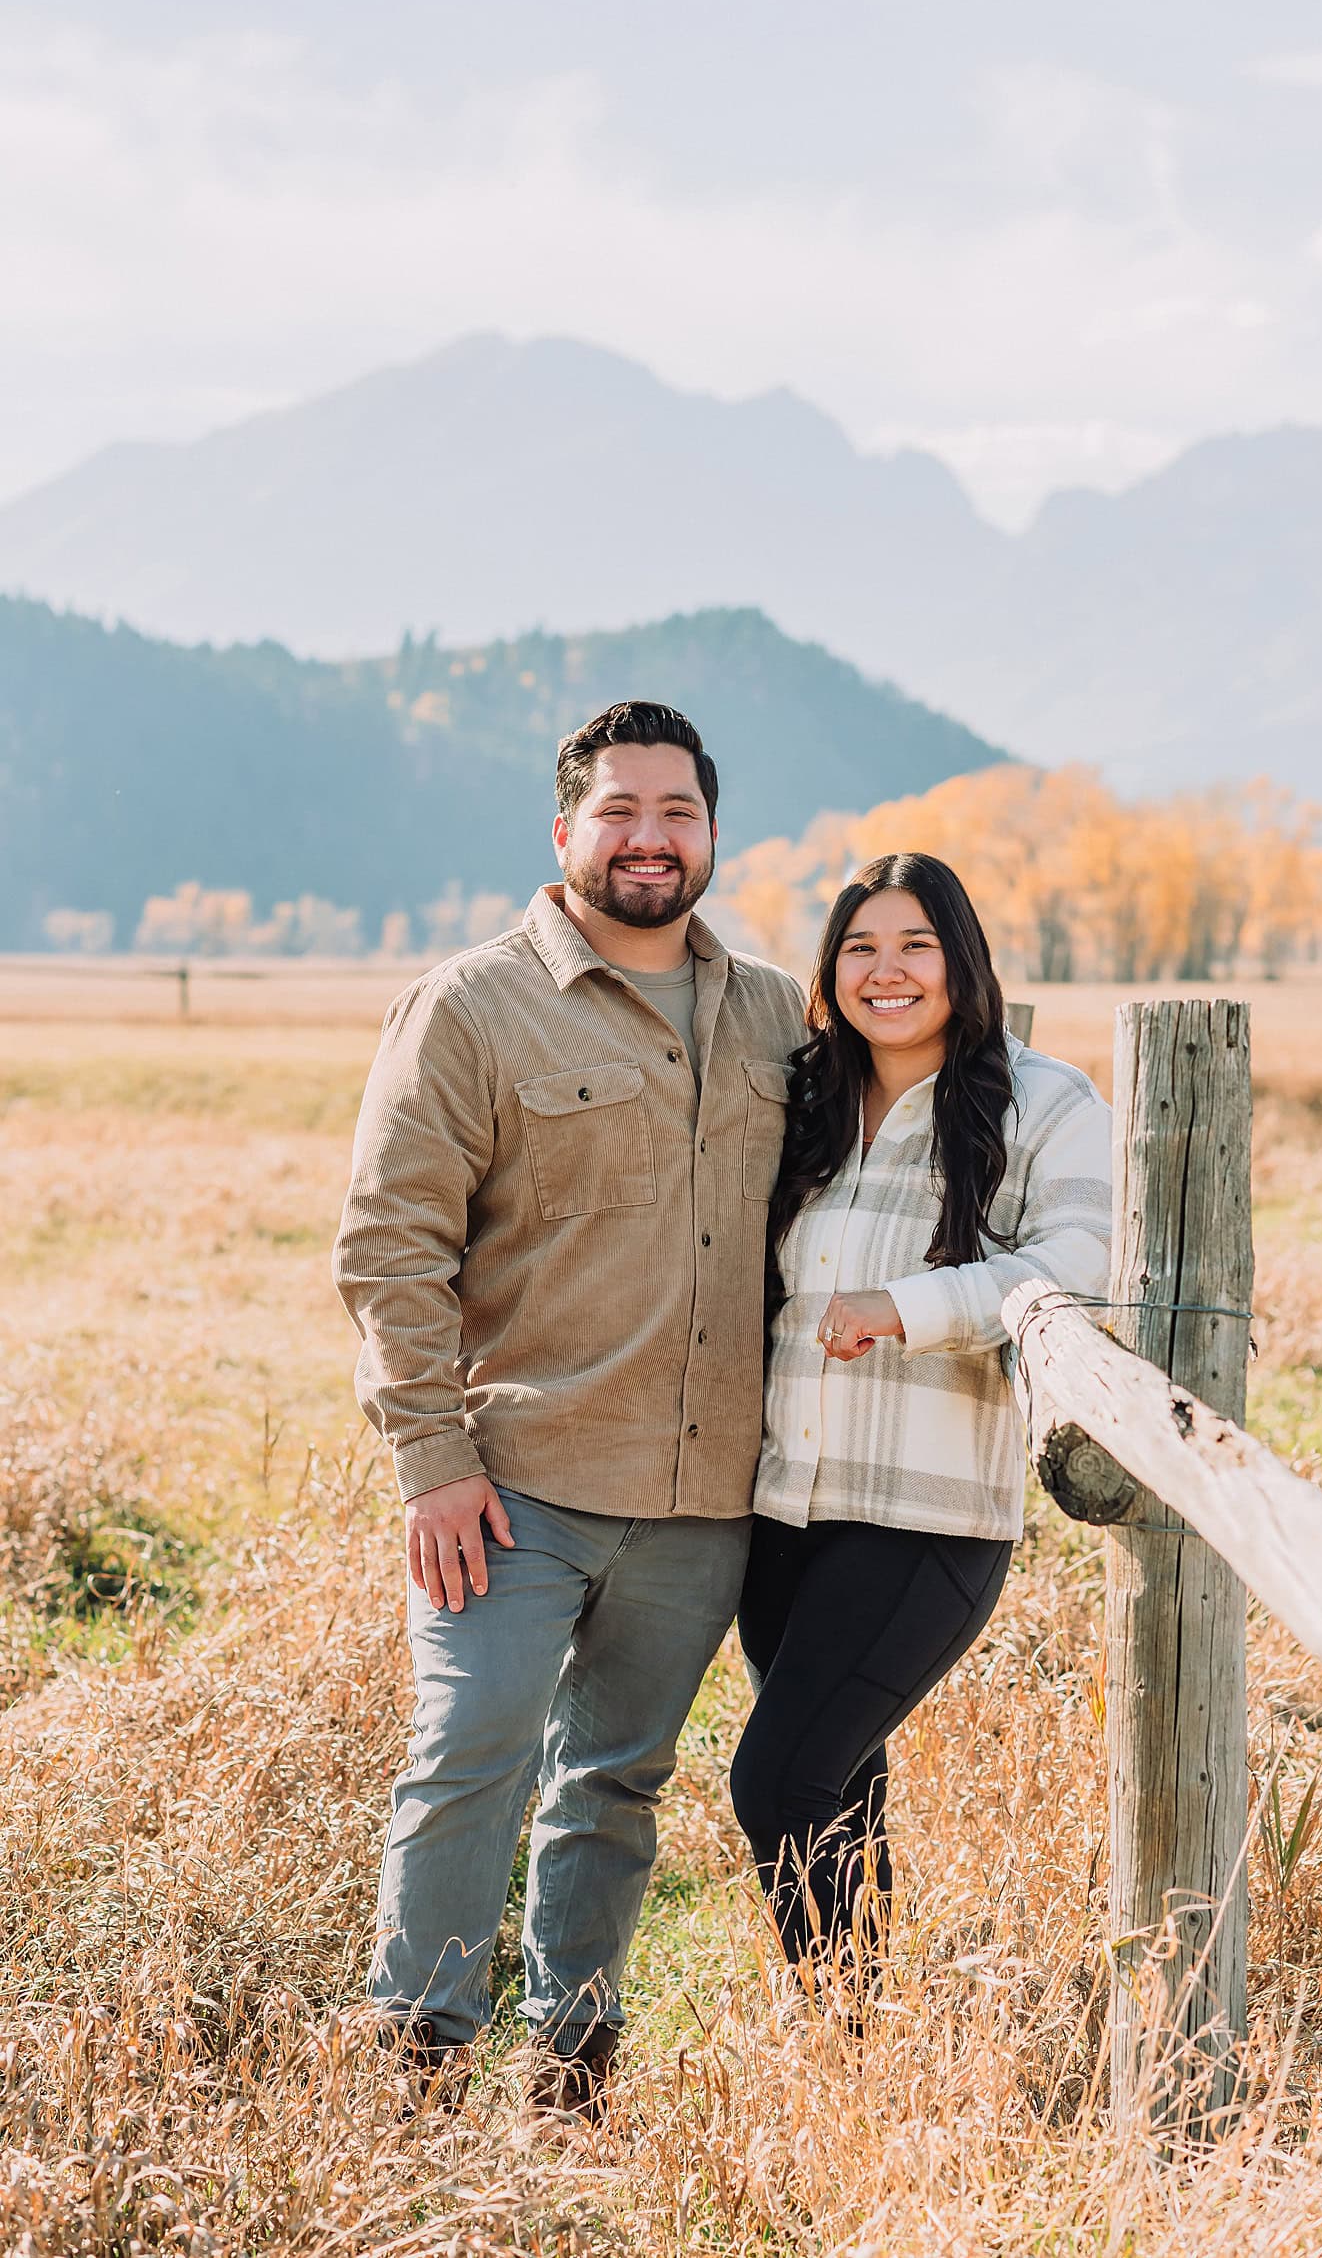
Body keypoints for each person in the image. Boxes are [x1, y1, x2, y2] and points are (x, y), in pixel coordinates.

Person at [333, 700, 804, 2114]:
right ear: (563, 832)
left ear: (713, 833)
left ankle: (573, 2082)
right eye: (619, 810)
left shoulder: (778, 1012)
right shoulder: (472, 1005)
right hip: (514, 1484)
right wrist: (431, 1460)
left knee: (615, 1787)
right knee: (468, 1759)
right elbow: (388, 1243)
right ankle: (415, 2078)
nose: (649, 838)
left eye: (676, 811)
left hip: (704, 1499)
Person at [729, 851, 1112, 2009]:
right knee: (838, 1791)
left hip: (927, 1510)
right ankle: (859, 2045)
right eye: (858, 948)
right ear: (828, 968)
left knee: (776, 1782)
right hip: (782, 1508)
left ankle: (841, 2029)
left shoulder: (1045, 1101)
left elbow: (1082, 1266)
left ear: (961, 962)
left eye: (914, 947)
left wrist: (909, 1308)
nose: (884, 973)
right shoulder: (804, 1101)